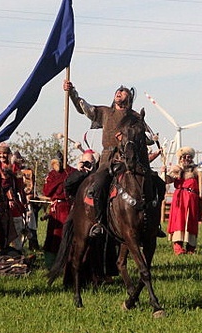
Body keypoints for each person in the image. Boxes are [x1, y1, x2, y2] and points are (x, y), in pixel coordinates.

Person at [64, 80, 162, 237]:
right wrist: (71, 92)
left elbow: (148, 137)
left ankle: (153, 223)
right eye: (118, 90)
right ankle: (98, 223)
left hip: (130, 161)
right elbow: (83, 107)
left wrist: (150, 137)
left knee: (158, 184)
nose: (119, 92)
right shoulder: (105, 112)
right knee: (99, 186)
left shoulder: (135, 116)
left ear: (128, 98)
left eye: (124, 92)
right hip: (108, 160)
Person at [165, 147, 202, 255]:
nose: (187, 158)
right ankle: (178, 247)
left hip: (192, 199)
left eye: (189, 156)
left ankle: (191, 248)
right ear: (180, 158)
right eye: (184, 156)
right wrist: (164, 172)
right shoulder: (176, 169)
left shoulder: (196, 170)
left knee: (191, 221)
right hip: (180, 198)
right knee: (179, 221)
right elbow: (167, 180)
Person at [42, 155, 74, 267]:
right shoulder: (52, 175)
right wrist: (60, 179)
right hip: (55, 209)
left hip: (67, 207)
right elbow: (46, 191)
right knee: (53, 235)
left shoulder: (71, 172)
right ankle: (51, 263)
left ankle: (67, 262)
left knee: (65, 234)